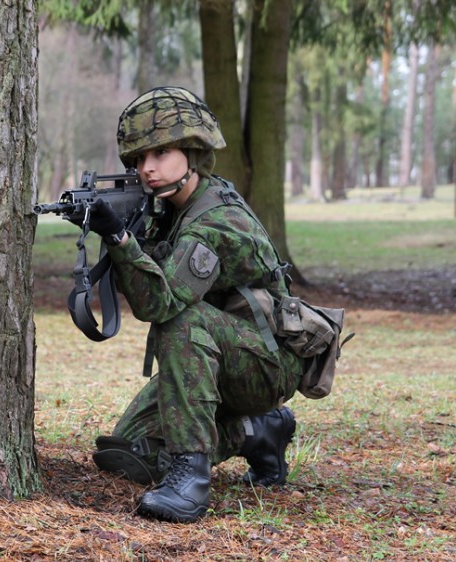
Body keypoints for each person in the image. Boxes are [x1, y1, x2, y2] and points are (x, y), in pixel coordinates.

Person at [85, 86, 306, 523]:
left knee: (181, 320)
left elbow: (162, 304)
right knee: (131, 454)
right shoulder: (169, 209)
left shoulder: (215, 222)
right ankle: (258, 432)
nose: (147, 168)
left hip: (265, 364)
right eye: (138, 159)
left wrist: (120, 240)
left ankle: (190, 481)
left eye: (161, 153)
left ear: (193, 150)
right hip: (217, 357)